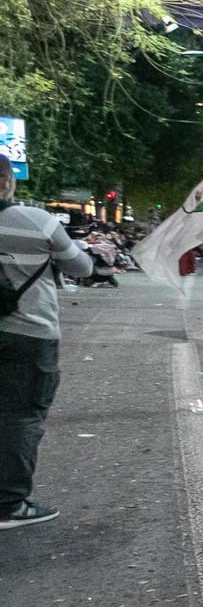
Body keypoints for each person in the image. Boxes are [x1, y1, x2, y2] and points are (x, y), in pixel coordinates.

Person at [0, 167, 96, 529]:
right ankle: (9, 503)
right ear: (6, 182)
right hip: (28, 333)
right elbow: (83, 267)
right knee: (20, 416)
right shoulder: (35, 220)